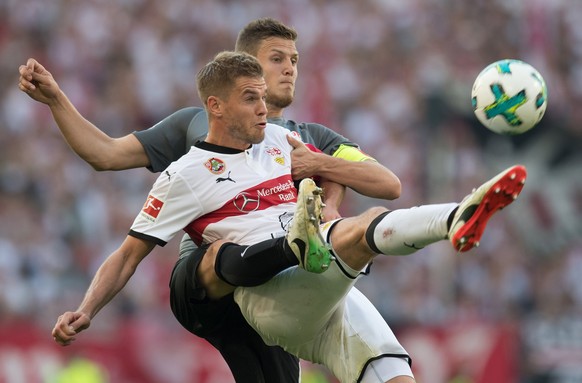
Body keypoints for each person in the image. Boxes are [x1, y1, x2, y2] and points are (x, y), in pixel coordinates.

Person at [50, 51, 527, 383]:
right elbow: (128, 254)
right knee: (347, 235)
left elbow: (367, 176)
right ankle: (310, 241)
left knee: (394, 365)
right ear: (215, 107)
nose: (265, 108)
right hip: (274, 294)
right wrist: (86, 310)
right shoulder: (186, 175)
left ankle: (459, 217)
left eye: (263, 96)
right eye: (251, 99)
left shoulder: (284, 142)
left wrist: (328, 192)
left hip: (328, 285)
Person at [19, 18, 401, 383]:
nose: (290, 69)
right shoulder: (195, 123)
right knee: (225, 257)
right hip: (213, 278)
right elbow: (104, 154)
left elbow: (386, 184)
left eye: (295, 60)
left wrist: (324, 175)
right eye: (277, 59)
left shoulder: (308, 136)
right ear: (247, 67)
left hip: (272, 277)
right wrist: (56, 100)